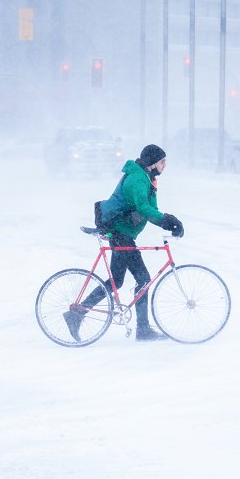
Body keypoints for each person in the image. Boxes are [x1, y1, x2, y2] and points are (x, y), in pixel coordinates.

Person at [64, 144, 184, 342]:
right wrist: (167, 220)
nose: (165, 165)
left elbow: (151, 208)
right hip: (120, 233)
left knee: (116, 281)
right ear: (153, 162)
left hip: (121, 232)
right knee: (143, 279)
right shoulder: (137, 179)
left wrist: (167, 221)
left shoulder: (147, 179)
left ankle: (77, 315)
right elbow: (143, 208)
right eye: (163, 161)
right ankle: (143, 329)